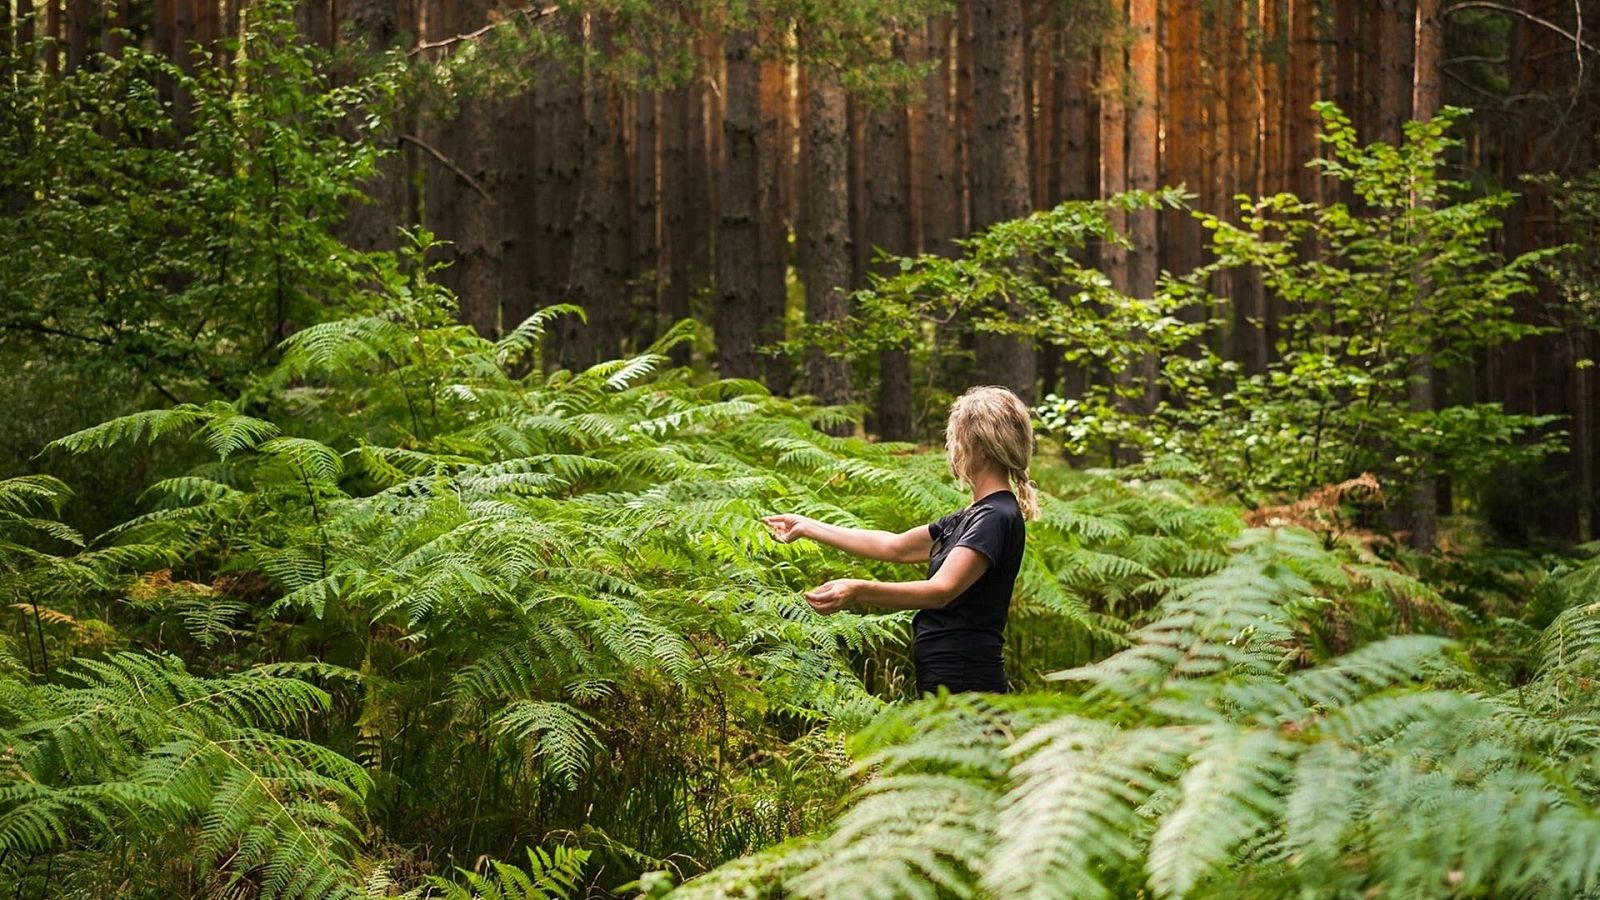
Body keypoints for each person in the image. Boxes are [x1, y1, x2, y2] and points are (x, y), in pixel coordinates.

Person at [763, 385, 1039, 695]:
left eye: (957, 439)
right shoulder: (974, 515)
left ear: (982, 447)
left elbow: (940, 591)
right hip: (949, 672)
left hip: (965, 676)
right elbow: (894, 546)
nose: (953, 449)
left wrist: (857, 590)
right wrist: (806, 525)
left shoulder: (995, 516)